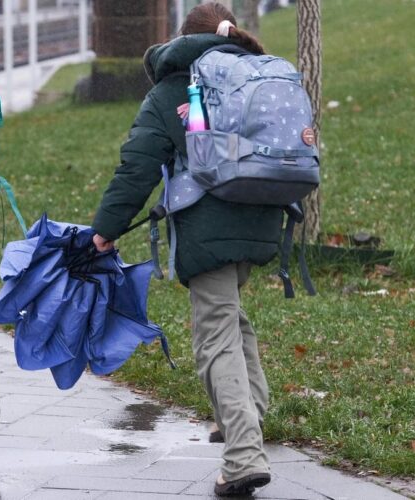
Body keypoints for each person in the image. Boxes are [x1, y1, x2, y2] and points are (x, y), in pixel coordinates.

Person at [90, 3, 281, 497]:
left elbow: (137, 167)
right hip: (263, 213)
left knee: (214, 333)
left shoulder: (173, 87)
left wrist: (106, 228)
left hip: (208, 223)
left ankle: (243, 456)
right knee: (231, 317)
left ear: (182, 37)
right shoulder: (254, 73)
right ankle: (246, 418)